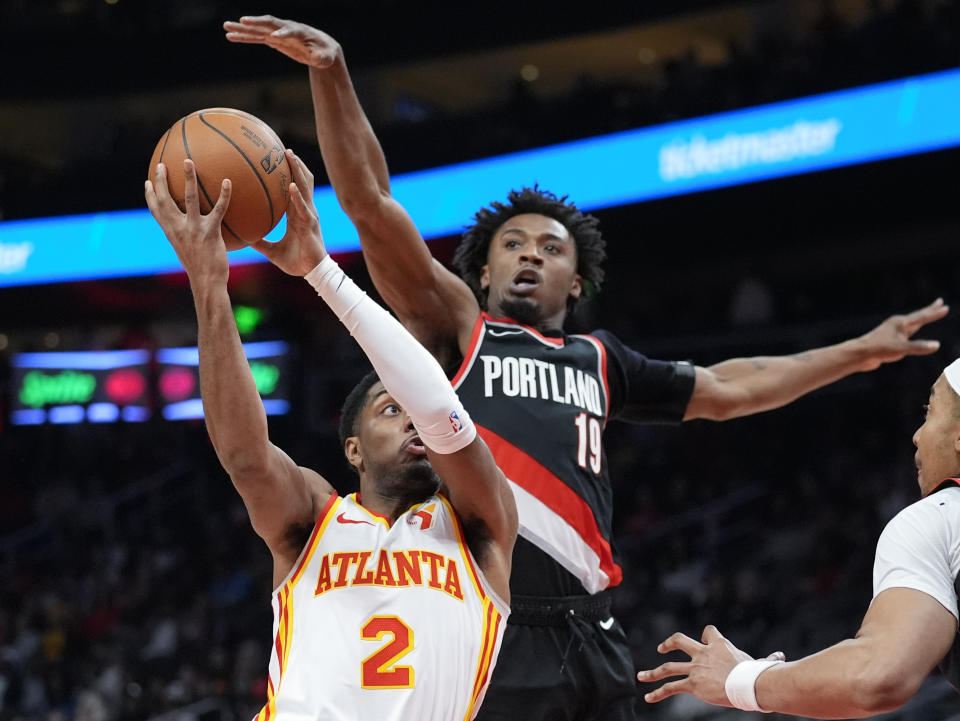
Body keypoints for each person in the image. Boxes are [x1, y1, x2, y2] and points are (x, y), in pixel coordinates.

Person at [223, 16, 950, 720]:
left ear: (577, 281)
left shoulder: (601, 359)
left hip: (593, 627)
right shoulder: (458, 328)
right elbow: (372, 205)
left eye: (550, 246)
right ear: (481, 269)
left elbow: (734, 385)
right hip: (490, 604)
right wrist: (334, 75)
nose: (531, 253)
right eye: (512, 244)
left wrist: (859, 350)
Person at [144, 153, 517, 721]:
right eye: (392, 410)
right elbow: (245, 459)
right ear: (353, 449)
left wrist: (322, 270)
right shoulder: (316, 518)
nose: (414, 418)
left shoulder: (481, 525)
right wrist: (208, 284)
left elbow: (438, 406)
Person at [636, 357, 960, 718]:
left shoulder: (940, 517)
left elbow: (877, 676)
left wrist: (740, 678)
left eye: (930, 411)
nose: (917, 434)